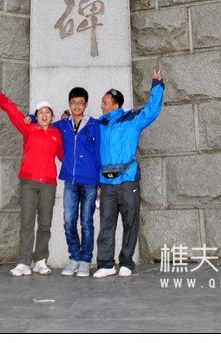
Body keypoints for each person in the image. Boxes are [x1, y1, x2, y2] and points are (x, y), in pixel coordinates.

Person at [93, 65, 164, 279]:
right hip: (106, 182)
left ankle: (126, 261)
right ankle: (105, 263)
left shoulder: (132, 119)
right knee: (106, 222)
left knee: (130, 221)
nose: (101, 105)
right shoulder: (99, 124)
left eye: (105, 102)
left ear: (115, 104)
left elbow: (152, 110)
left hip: (128, 179)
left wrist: (157, 84)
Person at [0, 78, 63, 277]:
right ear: (36, 116)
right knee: (27, 222)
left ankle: (40, 260)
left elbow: (64, 156)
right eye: (41, 112)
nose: (44, 115)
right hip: (29, 183)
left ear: (51, 116)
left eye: (48, 112)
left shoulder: (57, 134)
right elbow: (13, 112)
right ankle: (23, 262)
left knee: (45, 224)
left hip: (48, 184)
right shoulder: (28, 129)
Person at [57, 87, 101, 278]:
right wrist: (31, 117)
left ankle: (85, 260)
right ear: (69, 104)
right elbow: (43, 122)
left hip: (90, 180)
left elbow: (99, 152)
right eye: (74, 103)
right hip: (70, 180)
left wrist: (100, 182)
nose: (77, 106)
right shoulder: (62, 125)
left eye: (81, 103)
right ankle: (74, 257)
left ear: (86, 105)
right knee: (69, 221)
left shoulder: (94, 124)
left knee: (86, 222)